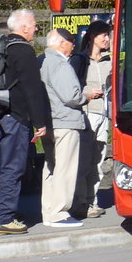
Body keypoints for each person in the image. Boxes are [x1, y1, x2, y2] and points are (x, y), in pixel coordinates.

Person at [0, 9, 50, 235]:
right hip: (15, 118)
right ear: (23, 27)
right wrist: (40, 122)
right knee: (12, 167)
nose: (36, 28)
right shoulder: (22, 50)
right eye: (33, 24)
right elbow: (32, 90)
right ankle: (5, 218)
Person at [39, 29, 101, 229]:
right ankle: (60, 212)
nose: (74, 45)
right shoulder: (59, 64)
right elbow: (71, 96)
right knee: (65, 169)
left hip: (50, 122)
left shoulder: (43, 60)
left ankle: (49, 211)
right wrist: (87, 95)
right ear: (61, 43)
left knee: (51, 168)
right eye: (72, 41)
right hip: (65, 122)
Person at [74, 20, 113, 218]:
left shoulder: (110, 61)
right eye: (103, 35)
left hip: (104, 115)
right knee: (84, 160)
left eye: (108, 35)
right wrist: (88, 92)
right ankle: (80, 202)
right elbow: (70, 87)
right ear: (92, 37)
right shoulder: (80, 60)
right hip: (86, 113)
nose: (107, 39)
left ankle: (92, 200)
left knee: (98, 160)